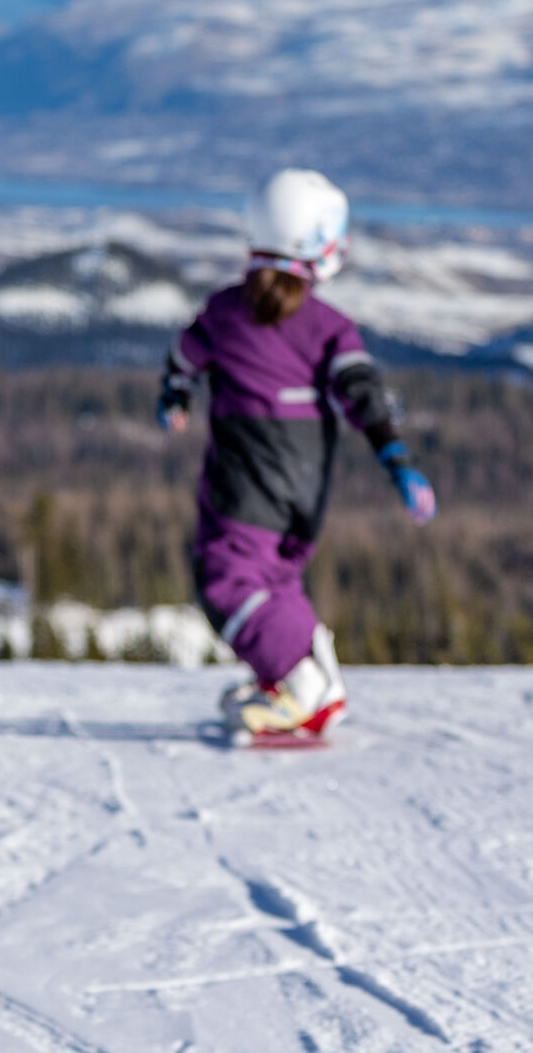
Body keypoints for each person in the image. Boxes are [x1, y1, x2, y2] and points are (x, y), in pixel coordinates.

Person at [158, 169, 435, 744]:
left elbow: (184, 359)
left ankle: (299, 681)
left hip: (247, 485)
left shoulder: (225, 313)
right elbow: (362, 393)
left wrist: (175, 396)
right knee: (276, 580)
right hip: (306, 491)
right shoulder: (328, 327)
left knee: (227, 579)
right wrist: (396, 459)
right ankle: (310, 682)